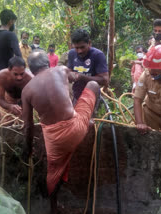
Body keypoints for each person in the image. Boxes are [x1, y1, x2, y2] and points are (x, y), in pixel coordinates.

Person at [22, 51, 100, 214]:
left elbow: (28, 126)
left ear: (31, 69)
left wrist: (28, 149)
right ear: (49, 64)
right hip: (76, 128)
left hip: (54, 139)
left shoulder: (26, 91)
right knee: (93, 85)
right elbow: (76, 77)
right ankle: (91, 119)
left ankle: (53, 208)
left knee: (54, 173)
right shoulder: (61, 70)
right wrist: (74, 76)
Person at [67, 29, 108, 103]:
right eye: (76, 48)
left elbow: (105, 80)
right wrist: (69, 75)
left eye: (82, 47)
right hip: (76, 95)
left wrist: (82, 77)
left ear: (89, 43)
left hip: (92, 98)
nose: (79, 51)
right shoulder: (71, 54)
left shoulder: (98, 55)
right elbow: (69, 71)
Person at [0, 56, 32, 125]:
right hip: (8, 99)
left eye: (22, 74)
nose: (19, 77)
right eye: (15, 74)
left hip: (24, 101)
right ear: (9, 69)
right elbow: (0, 100)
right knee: (6, 124)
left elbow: (30, 101)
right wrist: (9, 106)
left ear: (25, 69)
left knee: (24, 124)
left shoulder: (29, 79)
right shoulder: (0, 76)